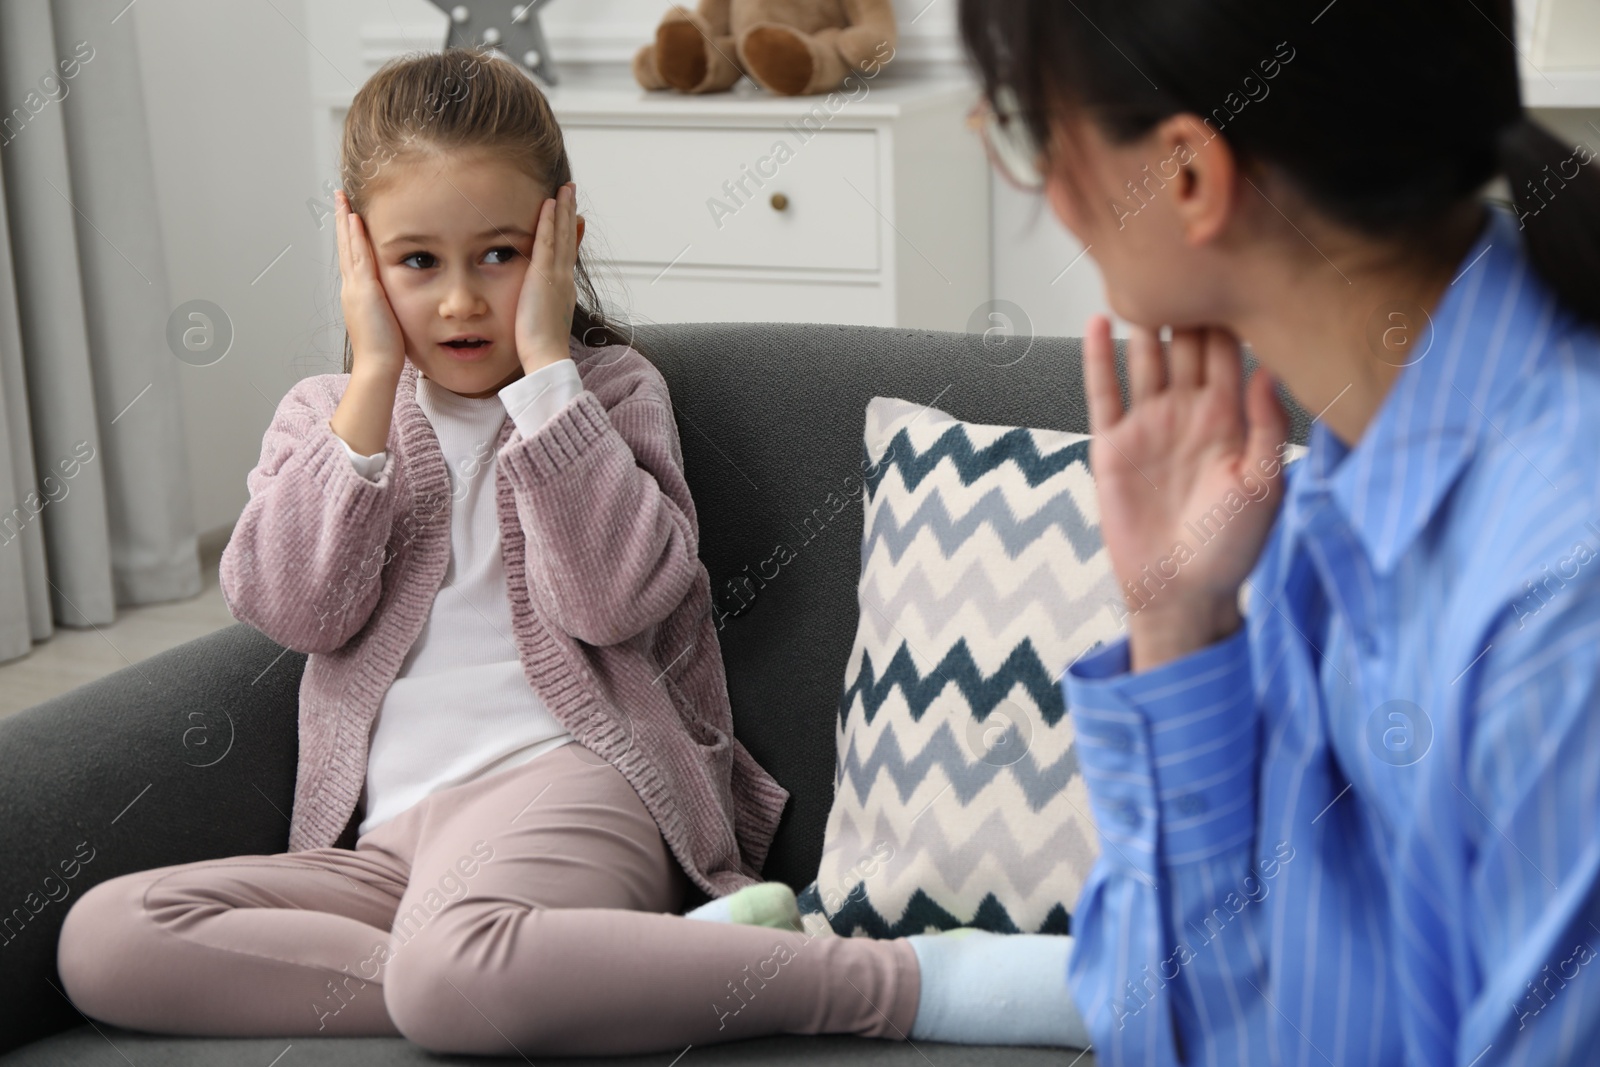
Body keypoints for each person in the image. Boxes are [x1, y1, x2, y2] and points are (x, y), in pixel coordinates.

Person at [54, 47, 1090, 1056]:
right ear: (359, 254)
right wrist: (370, 383)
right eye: (417, 261)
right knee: (105, 937)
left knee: (448, 965)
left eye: (498, 255)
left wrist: (546, 377)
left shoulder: (606, 397)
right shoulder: (326, 421)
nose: (460, 299)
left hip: (576, 788)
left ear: (561, 238)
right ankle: (637, 968)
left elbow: (614, 602)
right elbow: (289, 606)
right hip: (393, 848)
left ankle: (893, 981)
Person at [957, 0, 1600, 1062]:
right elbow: (1195, 1023)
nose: (1043, 195)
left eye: (1031, 131)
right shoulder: (1340, 492)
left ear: (1187, 178)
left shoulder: (1559, 598)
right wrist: (1178, 627)